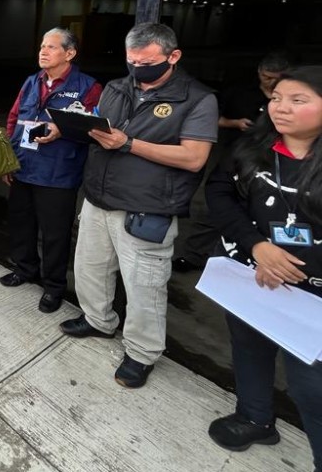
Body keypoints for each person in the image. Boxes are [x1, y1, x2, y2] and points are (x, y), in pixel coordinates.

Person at [61, 23, 218, 389]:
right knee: (90, 269)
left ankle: (142, 351)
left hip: (148, 207)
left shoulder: (197, 99)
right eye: (131, 60)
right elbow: (99, 129)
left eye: (146, 62)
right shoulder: (117, 87)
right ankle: (98, 320)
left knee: (144, 285)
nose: (137, 68)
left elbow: (194, 158)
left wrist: (128, 143)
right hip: (100, 198)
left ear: (173, 56)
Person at [204, 66, 322, 469]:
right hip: (250, 276)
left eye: (297, 100)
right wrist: (258, 247)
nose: (281, 108)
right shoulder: (252, 147)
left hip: (312, 297)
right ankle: (255, 417)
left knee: (311, 387)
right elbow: (220, 193)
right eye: (276, 99)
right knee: (249, 350)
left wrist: (295, 266)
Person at [1, 28, 102, 313]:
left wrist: (63, 129)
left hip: (59, 172)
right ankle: (25, 268)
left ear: (70, 53)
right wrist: (9, 157)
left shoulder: (89, 87)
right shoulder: (32, 81)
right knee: (22, 223)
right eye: (42, 46)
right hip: (24, 165)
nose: (43, 52)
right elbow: (13, 118)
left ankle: (54, 286)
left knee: (55, 233)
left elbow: (95, 129)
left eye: (52, 47)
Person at [175, 51, 292, 273]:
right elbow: (210, 119)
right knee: (215, 210)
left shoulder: (290, 102)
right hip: (237, 159)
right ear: (259, 73)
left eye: (277, 77)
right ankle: (194, 257)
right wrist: (234, 123)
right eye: (267, 77)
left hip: (277, 165)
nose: (272, 82)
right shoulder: (240, 93)